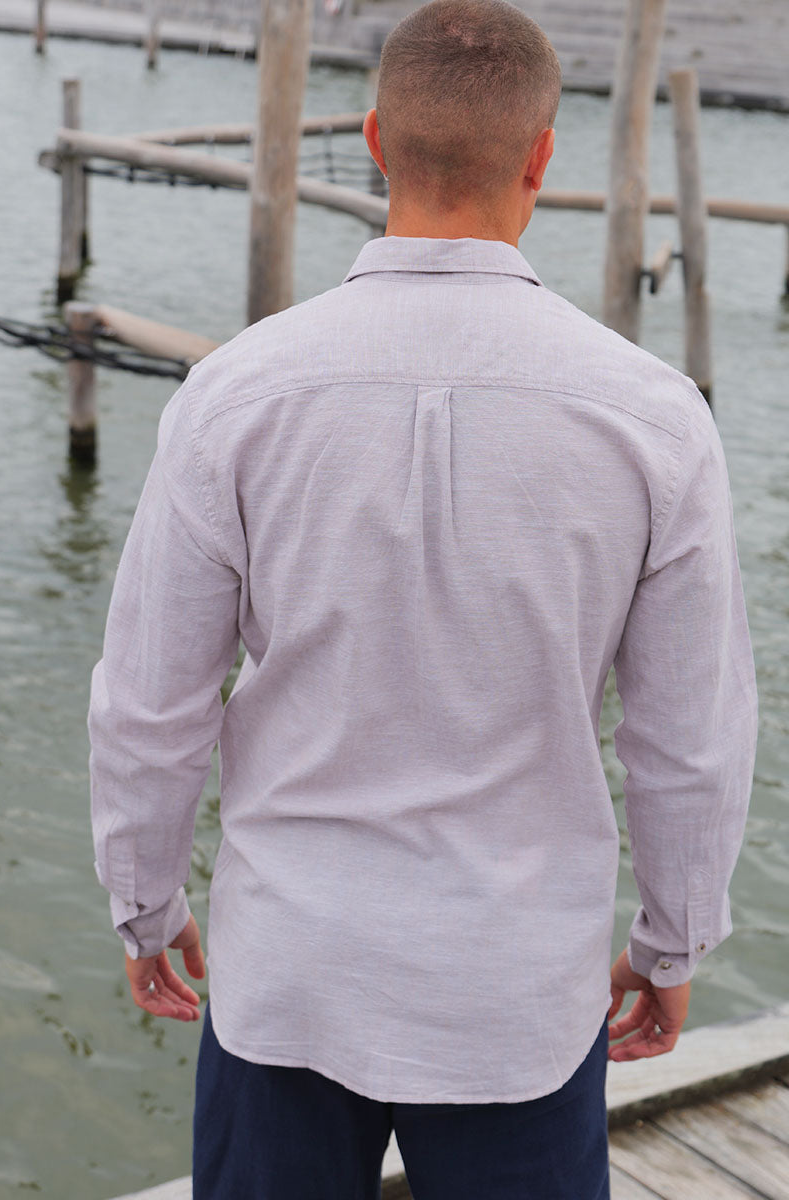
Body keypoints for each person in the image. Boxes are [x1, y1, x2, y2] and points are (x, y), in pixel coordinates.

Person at [88, 2, 758, 1197]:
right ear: (540, 156)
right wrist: (671, 941)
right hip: (516, 992)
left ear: (374, 141)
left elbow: (150, 701)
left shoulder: (233, 395)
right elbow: (688, 738)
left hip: (287, 972)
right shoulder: (654, 420)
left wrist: (144, 904)